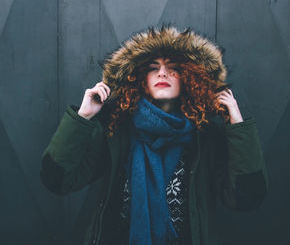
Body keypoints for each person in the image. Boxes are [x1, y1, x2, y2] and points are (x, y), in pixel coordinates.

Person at [40, 26, 268, 245]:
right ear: (140, 79)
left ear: (189, 77)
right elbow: (58, 180)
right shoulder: (117, 130)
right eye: (152, 67)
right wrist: (84, 117)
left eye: (173, 68)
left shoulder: (206, 137)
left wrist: (237, 125)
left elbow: (248, 197)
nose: (162, 72)